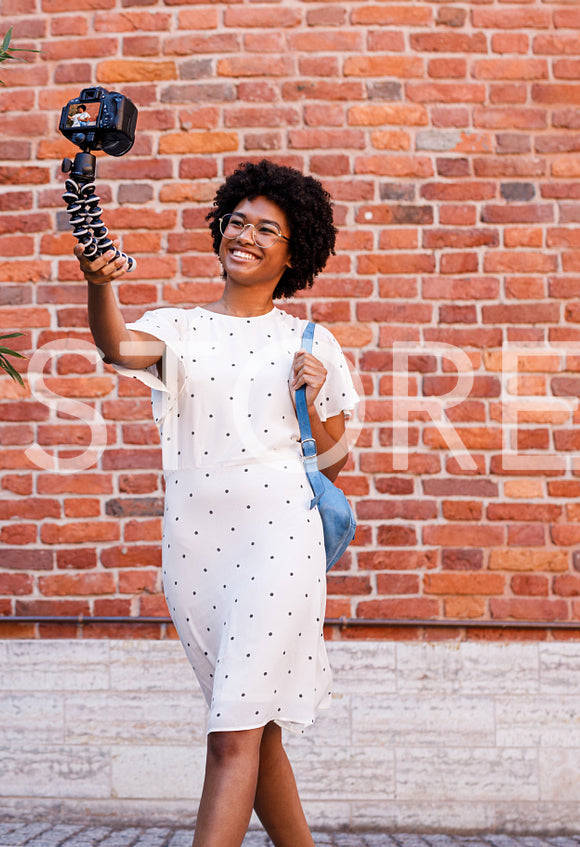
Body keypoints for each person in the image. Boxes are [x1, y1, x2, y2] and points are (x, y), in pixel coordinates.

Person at [77, 160, 358, 847]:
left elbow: (334, 460)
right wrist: (97, 287)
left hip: (279, 544)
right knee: (254, 731)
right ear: (219, 227)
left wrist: (314, 393)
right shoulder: (179, 329)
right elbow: (117, 344)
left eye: (268, 229)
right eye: (238, 221)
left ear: (293, 253)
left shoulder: (311, 342)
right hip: (197, 551)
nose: (247, 236)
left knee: (229, 735)